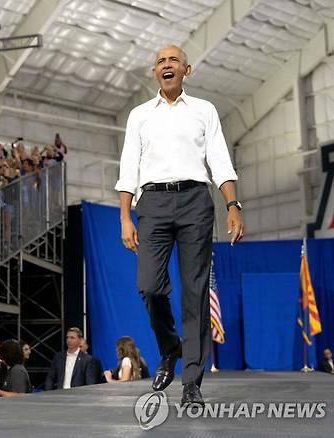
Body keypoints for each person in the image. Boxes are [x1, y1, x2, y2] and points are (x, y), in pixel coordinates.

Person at [115, 45, 243, 406]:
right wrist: (125, 217)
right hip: (152, 203)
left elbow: (219, 158)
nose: (166, 65)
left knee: (195, 292)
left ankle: (192, 381)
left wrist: (232, 204)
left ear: (187, 70)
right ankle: (169, 346)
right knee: (149, 286)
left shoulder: (204, 110)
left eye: (173, 60)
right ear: (154, 73)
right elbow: (129, 168)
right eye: (160, 61)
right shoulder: (139, 115)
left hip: (196, 202)